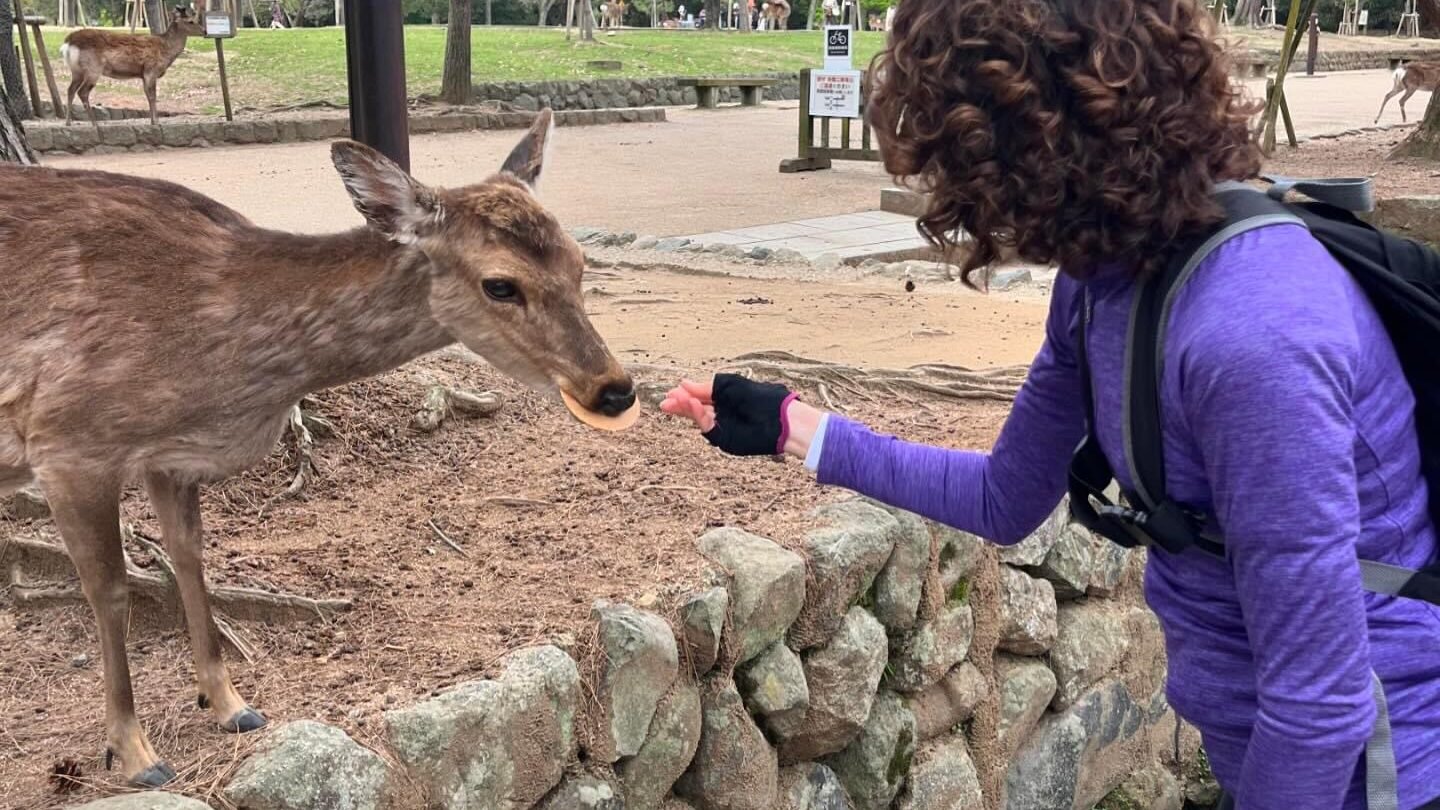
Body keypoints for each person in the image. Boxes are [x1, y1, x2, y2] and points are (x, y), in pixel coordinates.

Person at [659, 1, 1440, 808]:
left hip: (1375, 769)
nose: (961, 205)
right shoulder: (1104, 278)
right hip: (1253, 735)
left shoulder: (1253, 336)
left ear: (1027, 150)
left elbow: (1320, 705)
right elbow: (1006, 499)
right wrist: (793, 426)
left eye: (961, 169)